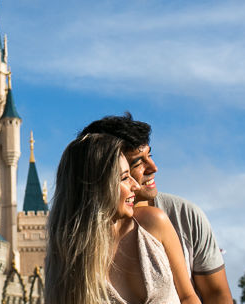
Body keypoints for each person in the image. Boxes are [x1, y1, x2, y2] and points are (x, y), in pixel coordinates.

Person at [79, 115, 233, 304]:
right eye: (137, 163)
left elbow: (216, 294)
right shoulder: (76, 239)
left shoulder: (185, 216)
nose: (153, 167)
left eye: (149, 156)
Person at [45, 133, 201, 304]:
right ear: (97, 188)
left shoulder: (154, 222)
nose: (135, 185)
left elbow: (188, 297)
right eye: (125, 177)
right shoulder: (69, 262)